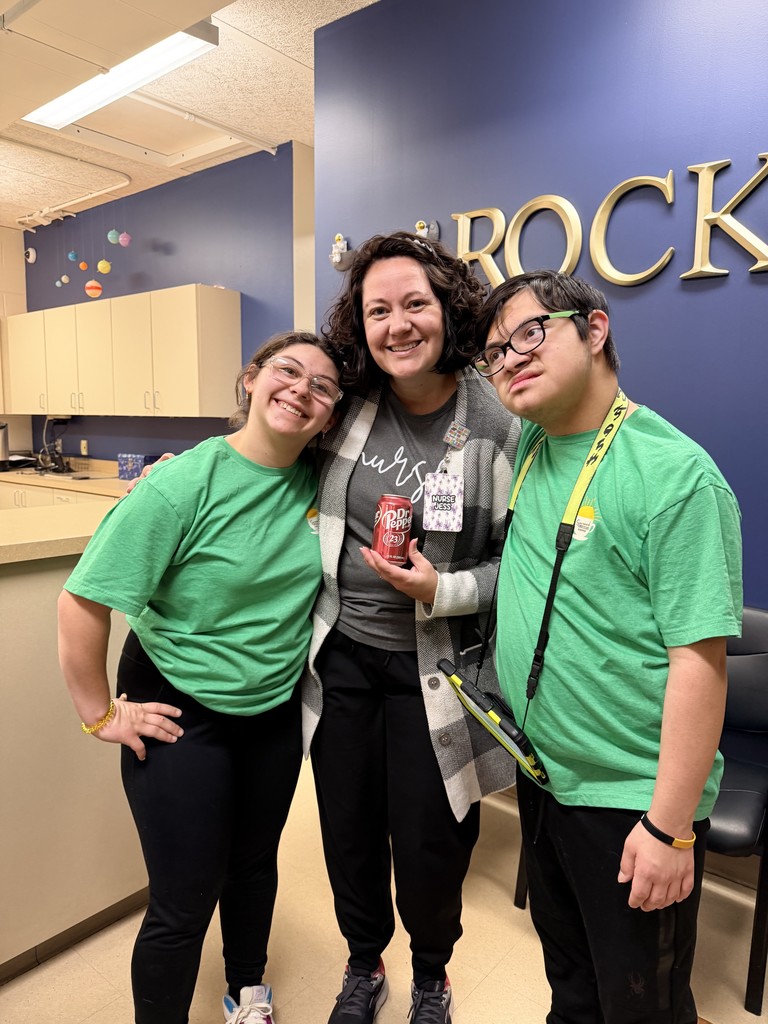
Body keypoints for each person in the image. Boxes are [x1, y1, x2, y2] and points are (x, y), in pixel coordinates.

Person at [471, 270, 742, 1023]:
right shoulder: (532, 443)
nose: (511, 359)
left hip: (629, 801)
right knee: (573, 982)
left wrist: (669, 826)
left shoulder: (675, 477)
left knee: (642, 1004)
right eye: (496, 352)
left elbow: (700, 663)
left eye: (532, 333)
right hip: (546, 773)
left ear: (594, 330)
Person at [57, 332, 344, 1024]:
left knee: (253, 864)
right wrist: (100, 714)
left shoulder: (323, 482)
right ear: (250, 380)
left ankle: (247, 991)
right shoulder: (183, 482)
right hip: (179, 704)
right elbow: (82, 599)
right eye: (287, 371)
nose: (302, 390)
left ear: (332, 415)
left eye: (324, 386)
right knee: (185, 897)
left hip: (271, 709)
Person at [304, 231, 520, 1024]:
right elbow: (266, 447)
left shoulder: (499, 421)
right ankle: (365, 964)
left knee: (433, 843)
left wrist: (446, 587)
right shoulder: (349, 405)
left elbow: (523, 569)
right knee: (348, 832)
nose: (397, 325)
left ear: (448, 309)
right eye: (377, 310)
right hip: (344, 660)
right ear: (360, 324)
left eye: (415, 305)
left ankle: (432, 974)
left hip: (442, 670)